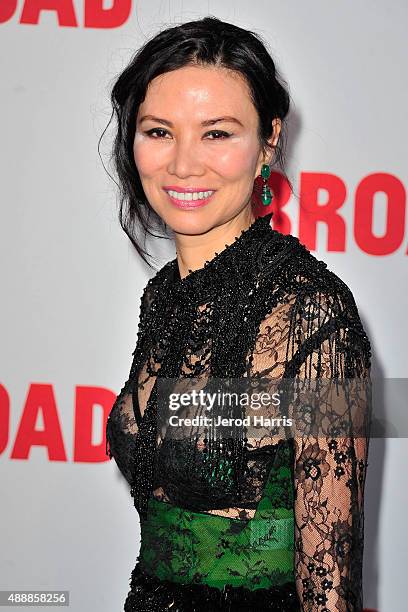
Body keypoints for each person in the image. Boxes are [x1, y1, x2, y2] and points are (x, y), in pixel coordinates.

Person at [104, 16, 372, 612]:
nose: (182, 164)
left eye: (217, 134)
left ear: (268, 142)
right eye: (158, 132)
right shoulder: (165, 296)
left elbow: (329, 587)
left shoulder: (312, 315)